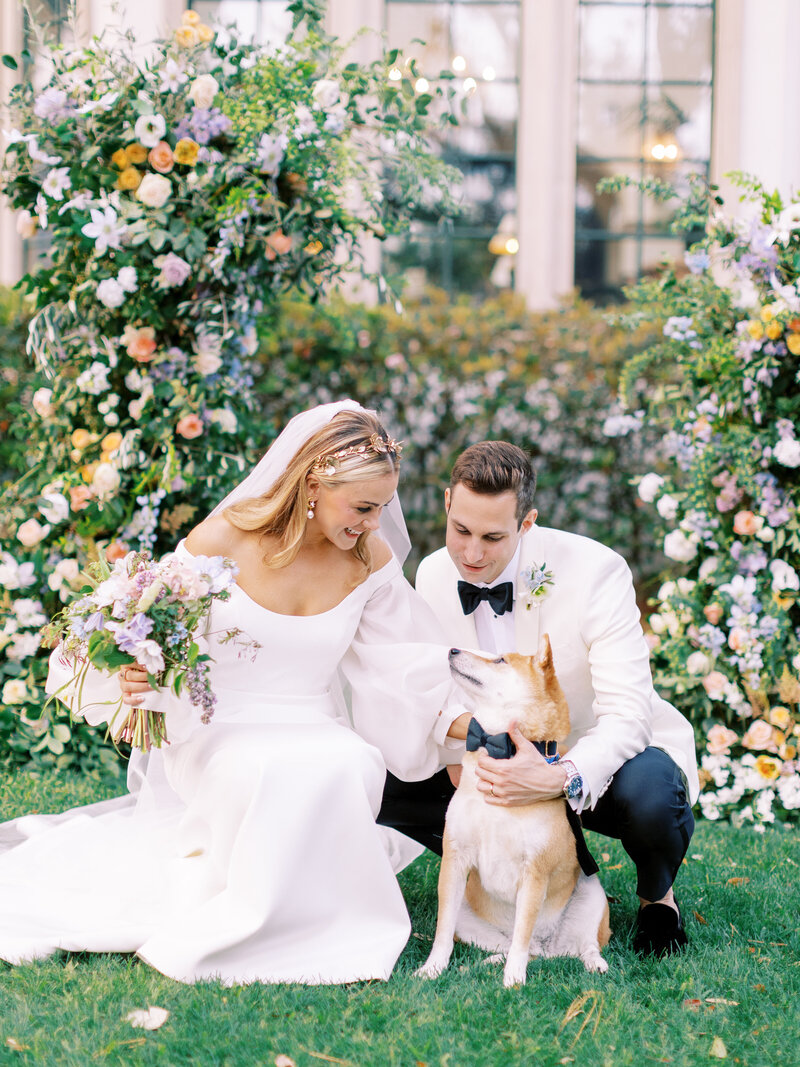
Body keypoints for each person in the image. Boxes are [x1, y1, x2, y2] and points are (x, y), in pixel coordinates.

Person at [0, 400, 457, 985]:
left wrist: (457, 726)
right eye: (363, 507)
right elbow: (143, 621)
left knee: (346, 760)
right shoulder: (228, 534)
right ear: (313, 482)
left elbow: (404, 661)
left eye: (382, 508)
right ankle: (248, 925)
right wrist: (134, 672)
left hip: (314, 722)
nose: (373, 522)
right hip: (218, 726)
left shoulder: (370, 560)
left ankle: (331, 925)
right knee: (264, 769)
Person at [378, 441, 700, 957]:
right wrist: (461, 752)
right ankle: (526, 866)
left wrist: (558, 776)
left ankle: (656, 898)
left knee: (652, 797)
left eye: (492, 537)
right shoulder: (435, 573)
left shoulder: (598, 571)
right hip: (492, 763)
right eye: (460, 530)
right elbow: (437, 685)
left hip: (594, 759)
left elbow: (627, 714)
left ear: (527, 523)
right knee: (381, 774)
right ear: (445, 503)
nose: (472, 554)